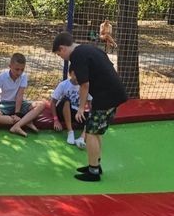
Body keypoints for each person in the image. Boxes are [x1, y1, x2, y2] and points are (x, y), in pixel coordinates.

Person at [52, 31, 127, 182]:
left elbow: (84, 84)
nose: (62, 58)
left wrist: (81, 108)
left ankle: (93, 172)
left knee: (91, 132)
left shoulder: (77, 56)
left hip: (106, 96)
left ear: (62, 48)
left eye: (60, 55)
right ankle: (95, 165)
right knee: (96, 132)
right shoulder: (88, 48)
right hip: (112, 93)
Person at [0, 52, 46, 137]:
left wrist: (17, 114)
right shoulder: (2, 77)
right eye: (17, 69)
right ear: (10, 66)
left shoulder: (23, 76)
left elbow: (19, 96)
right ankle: (25, 121)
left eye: (22, 70)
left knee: (42, 104)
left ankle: (17, 126)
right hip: (5, 104)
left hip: (20, 104)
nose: (19, 73)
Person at [51, 67, 91, 148]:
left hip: (76, 114)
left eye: (79, 74)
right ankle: (70, 132)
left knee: (93, 115)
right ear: (70, 74)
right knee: (66, 100)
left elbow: (90, 104)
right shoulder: (63, 84)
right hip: (63, 112)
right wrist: (56, 120)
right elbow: (53, 102)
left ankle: (82, 138)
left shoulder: (85, 86)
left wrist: (91, 115)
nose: (77, 77)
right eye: (75, 74)